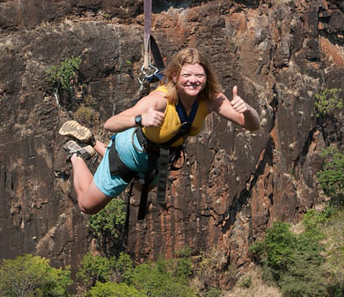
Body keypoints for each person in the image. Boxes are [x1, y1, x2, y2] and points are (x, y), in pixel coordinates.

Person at [60, 47, 259, 215]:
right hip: (130, 152)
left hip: (159, 160)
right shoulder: (159, 101)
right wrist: (139, 119)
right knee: (87, 207)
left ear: (206, 77)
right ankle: (77, 155)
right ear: (174, 76)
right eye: (187, 75)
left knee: (140, 185)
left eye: (199, 75)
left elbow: (252, 124)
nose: (193, 80)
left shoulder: (211, 99)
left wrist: (247, 110)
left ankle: (95, 145)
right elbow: (110, 123)